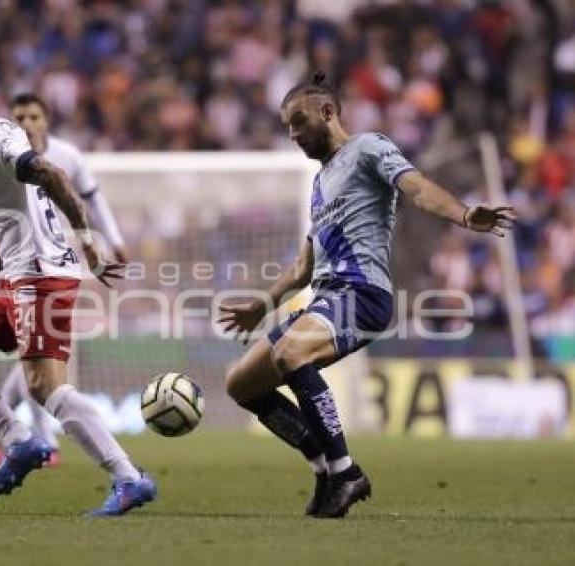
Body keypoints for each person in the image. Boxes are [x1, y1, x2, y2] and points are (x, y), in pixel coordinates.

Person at [217, 72, 515, 519]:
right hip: (324, 298)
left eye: (298, 122)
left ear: (328, 112)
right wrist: (263, 304)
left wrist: (464, 213)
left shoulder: (368, 148)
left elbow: (416, 188)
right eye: (287, 128)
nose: (294, 135)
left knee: (293, 353)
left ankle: (346, 471)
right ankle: (324, 466)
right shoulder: (319, 185)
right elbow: (303, 267)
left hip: (364, 294)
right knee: (241, 383)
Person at [0, 58, 156, 517]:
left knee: (45, 388)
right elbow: (18, 221)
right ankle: (19, 441)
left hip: (41, 275)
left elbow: (54, 176)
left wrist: (90, 245)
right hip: (17, 274)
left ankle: (129, 478)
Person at [0, 92, 129, 466]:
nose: (26, 123)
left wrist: (104, 243)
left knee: (42, 379)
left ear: (47, 119)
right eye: (19, 116)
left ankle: (119, 472)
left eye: (33, 115)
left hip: (47, 269)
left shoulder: (57, 158)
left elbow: (88, 198)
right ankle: (21, 439)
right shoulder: (1, 155)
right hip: (19, 273)